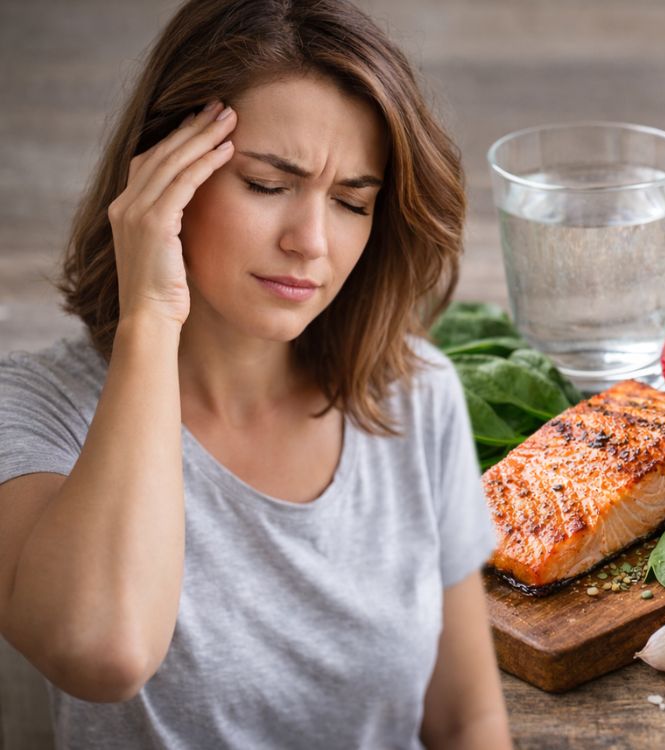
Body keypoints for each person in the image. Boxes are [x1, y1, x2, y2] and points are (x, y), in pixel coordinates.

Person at [0, 0, 512, 747]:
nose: (311, 241)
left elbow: (465, 719)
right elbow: (102, 654)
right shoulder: (37, 409)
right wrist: (150, 315)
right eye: (268, 185)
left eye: (350, 201)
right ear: (161, 176)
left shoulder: (415, 393)